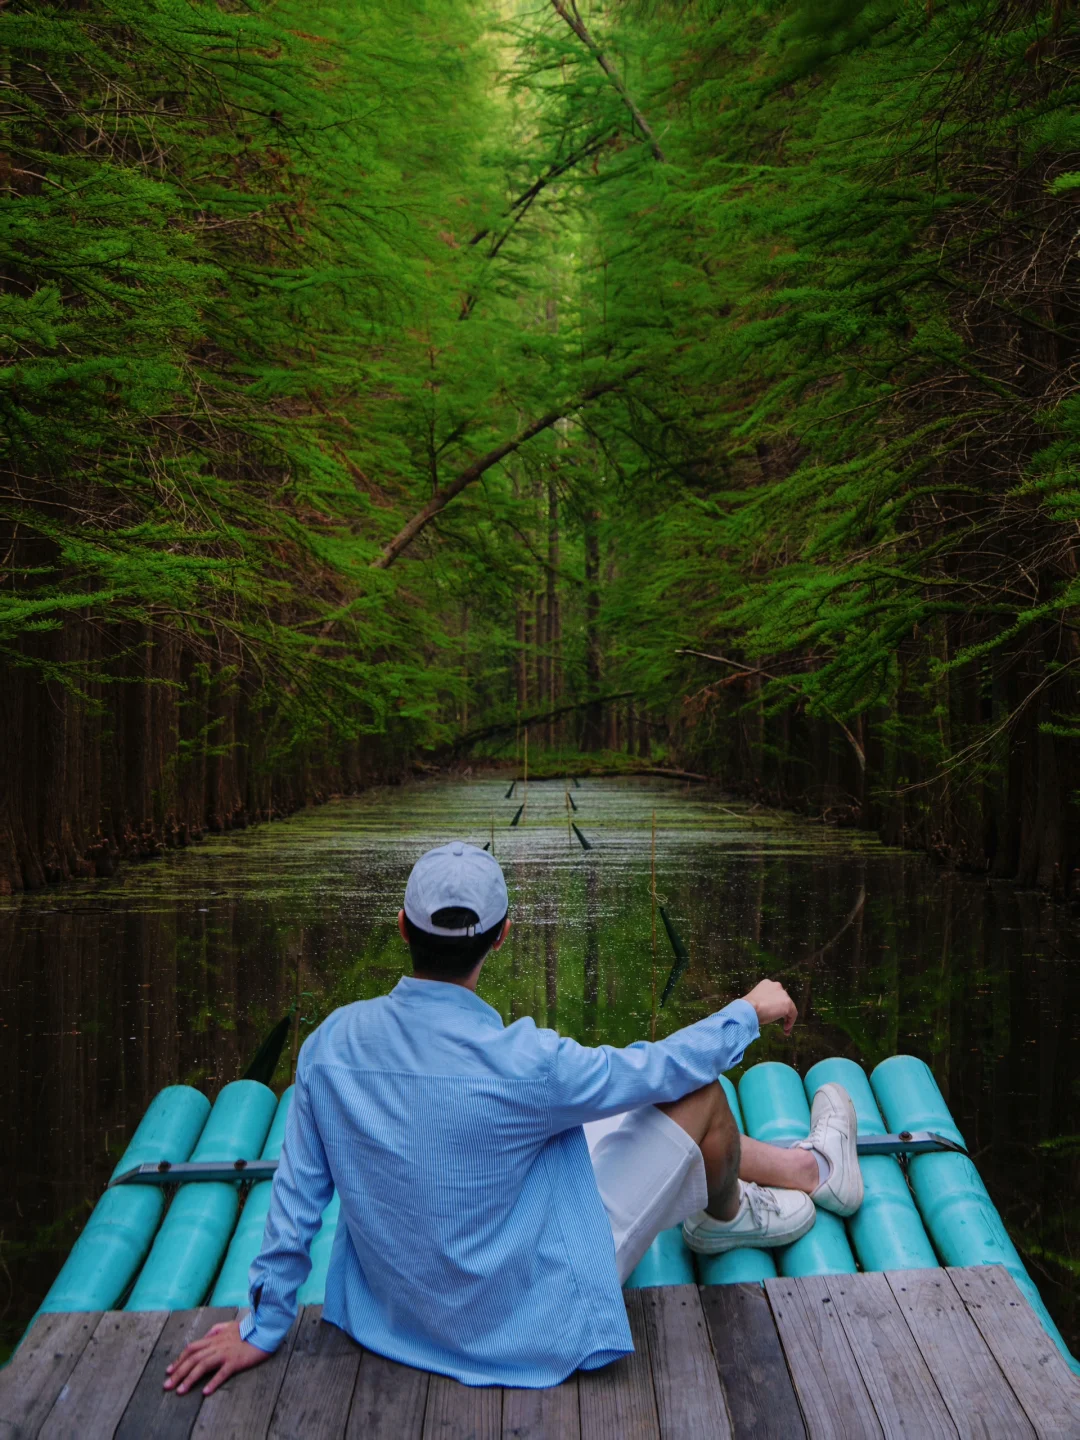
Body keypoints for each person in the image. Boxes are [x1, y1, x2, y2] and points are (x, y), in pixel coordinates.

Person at [165, 841, 863, 1396]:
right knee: (698, 1096)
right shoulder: (526, 1061)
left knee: (598, 1109)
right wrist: (747, 1009)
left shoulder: (331, 1045)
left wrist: (262, 1326)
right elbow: (665, 1071)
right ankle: (726, 1215)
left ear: (402, 927)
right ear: (501, 939)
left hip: (396, 1316)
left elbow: (297, 1198)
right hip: (529, 1316)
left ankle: (804, 1167)